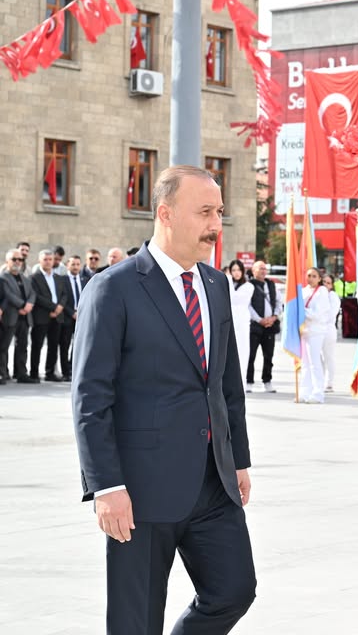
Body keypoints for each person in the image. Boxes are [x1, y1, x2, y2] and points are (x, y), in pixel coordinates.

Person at [71, 165, 255, 633]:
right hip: (141, 489)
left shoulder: (215, 285)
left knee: (234, 589)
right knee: (136, 620)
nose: (217, 225)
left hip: (213, 482)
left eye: (220, 212)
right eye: (206, 212)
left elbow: (226, 385)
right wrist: (106, 486)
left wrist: (238, 459)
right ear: (166, 214)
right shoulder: (114, 288)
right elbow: (91, 397)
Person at [30, 248, 71, 382]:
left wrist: (60, 307)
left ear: (54, 261)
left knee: (54, 346)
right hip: (42, 316)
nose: (48, 262)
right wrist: (54, 307)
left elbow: (64, 294)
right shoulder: (34, 278)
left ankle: (50, 372)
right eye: (45, 260)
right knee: (37, 345)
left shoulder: (58, 278)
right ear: (39, 261)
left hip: (58, 316)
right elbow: (36, 296)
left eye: (50, 259)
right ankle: (34, 373)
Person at [0, 249, 36, 384]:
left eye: (20, 260)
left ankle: (21, 373)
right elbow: (8, 295)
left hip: (25, 318)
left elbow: (32, 293)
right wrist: (22, 305)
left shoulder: (25, 278)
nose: (17, 262)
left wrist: (29, 305)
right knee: (3, 347)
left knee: (22, 346)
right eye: (14, 259)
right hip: (10, 316)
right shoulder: (3, 278)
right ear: (7, 261)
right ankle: (2, 374)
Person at [300, 267, 334, 404]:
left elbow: (318, 314)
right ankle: (305, 392)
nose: (311, 278)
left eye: (314, 276)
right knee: (305, 363)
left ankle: (318, 393)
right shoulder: (303, 291)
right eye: (309, 275)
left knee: (315, 362)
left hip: (316, 331)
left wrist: (302, 311)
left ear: (319, 279)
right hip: (304, 330)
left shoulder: (322, 291)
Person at [247, 260, 280, 393]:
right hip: (255, 326)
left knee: (269, 355)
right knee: (251, 355)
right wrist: (259, 319)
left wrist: (274, 316)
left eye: (265, 269)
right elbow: (248, 305)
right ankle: (248, 381)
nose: (263, 271)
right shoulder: (249, 285)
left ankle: (267, 381)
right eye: (260, 268)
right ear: (254, 270)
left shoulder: (271, 284)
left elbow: (278, 302)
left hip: (270, 326)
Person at [228, 259, 255, 383]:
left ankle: (242, 386)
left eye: (238, 270)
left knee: (242, 354)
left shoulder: (249, 286)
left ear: (243, 271)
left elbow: (234, 299)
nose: (236, 273)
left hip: (242, 324)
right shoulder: (228, 283)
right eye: (233, 270)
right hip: (228, 323)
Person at [322, 273, 341, 392]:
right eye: (323, 282)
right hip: (316, 329)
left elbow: (330, 314)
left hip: (328, 329)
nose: (325, 285)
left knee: (328, 356)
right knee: (317, 357)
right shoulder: (317, 294)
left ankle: (329, 382)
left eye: (328, 283)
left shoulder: (333, 296)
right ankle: (319, 379)